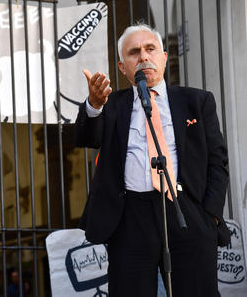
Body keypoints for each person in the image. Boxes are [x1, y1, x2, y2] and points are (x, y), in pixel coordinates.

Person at [75, 24, 229, 297]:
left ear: (164, 57)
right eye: (134, 52)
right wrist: (94, 104)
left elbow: (217, 162)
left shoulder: (198, 101)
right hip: (130, 217)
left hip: (187, 212)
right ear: (123, 67)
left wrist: (211, 216)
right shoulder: (111, 105)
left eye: (150, 49)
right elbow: (88, 136)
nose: (143, 57)